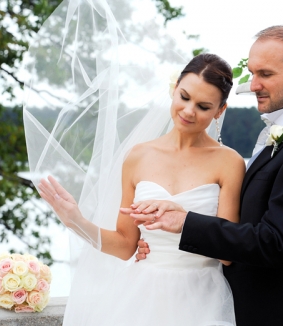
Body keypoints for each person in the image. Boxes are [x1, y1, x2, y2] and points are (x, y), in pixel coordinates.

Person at [129, 25, 283, 326]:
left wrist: (185, 222)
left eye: (266, 74)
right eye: (252, 72)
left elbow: (275, 243)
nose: (253, 84)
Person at [37, 53, 245, 325]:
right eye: (184, 97)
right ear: (174, 89)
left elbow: (229, 255)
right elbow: (125, 245)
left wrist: (185, 219)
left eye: (204, 106)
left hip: (203, 296)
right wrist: (76, 221)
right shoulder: (138, 156)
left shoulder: (229, 162)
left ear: (220, 110)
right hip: (140, 296)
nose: (188, 111)